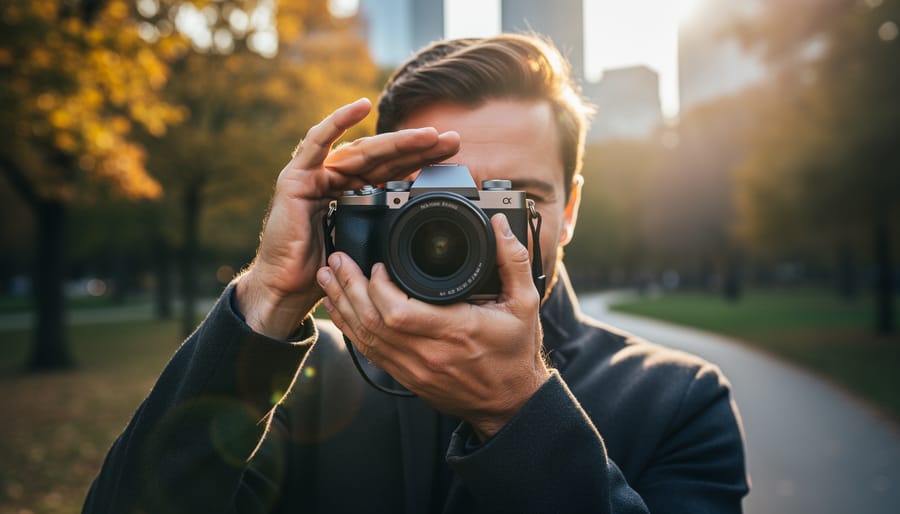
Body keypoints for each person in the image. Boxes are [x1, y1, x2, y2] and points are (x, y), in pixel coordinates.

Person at [84, 34, 749, 513]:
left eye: (515, 201)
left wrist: (520, 412)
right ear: (377, 197)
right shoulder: (307, 387)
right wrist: (268, 296)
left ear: (569, 208)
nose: (479, 235)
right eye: (442, 200)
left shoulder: (678, 400)